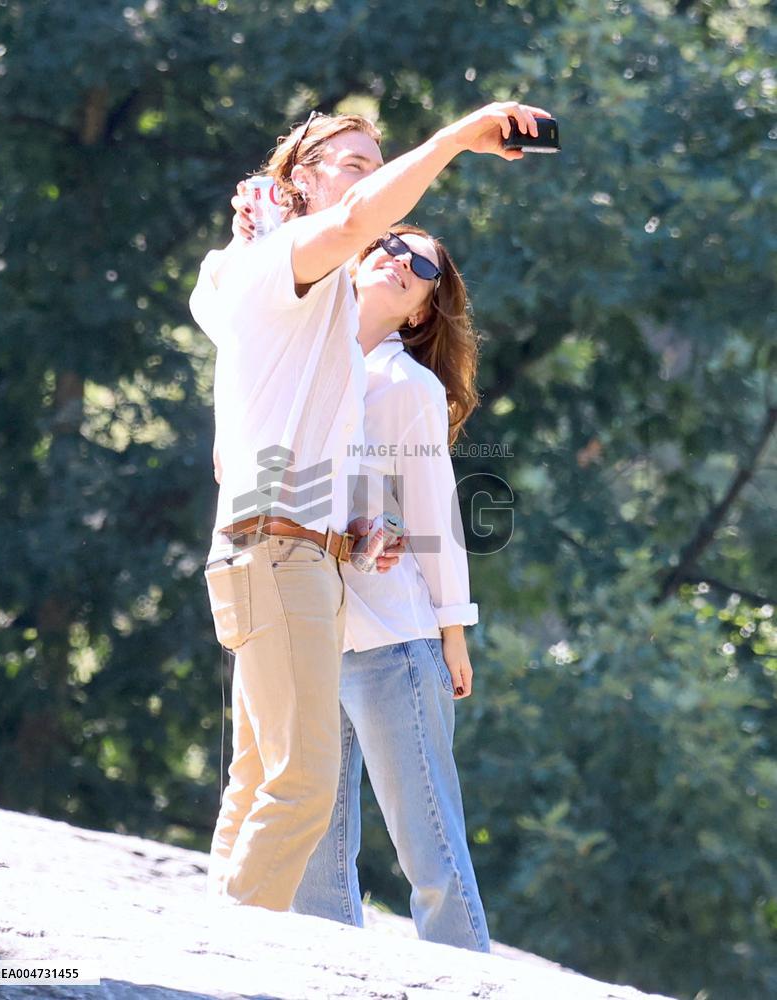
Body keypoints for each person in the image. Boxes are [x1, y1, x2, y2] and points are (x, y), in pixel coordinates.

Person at [191, 100, 549, 913]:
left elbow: (377, 486)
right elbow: (351, 219)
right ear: (301, 183)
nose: (376, 204)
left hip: (291, 550)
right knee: (302, 788)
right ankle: (235, 956)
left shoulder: (320, 323)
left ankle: (214, 940)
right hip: (276, 554)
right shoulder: (281, 265)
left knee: (258, 776)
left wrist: (354, 528)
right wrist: (461, 135)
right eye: (352, 164)